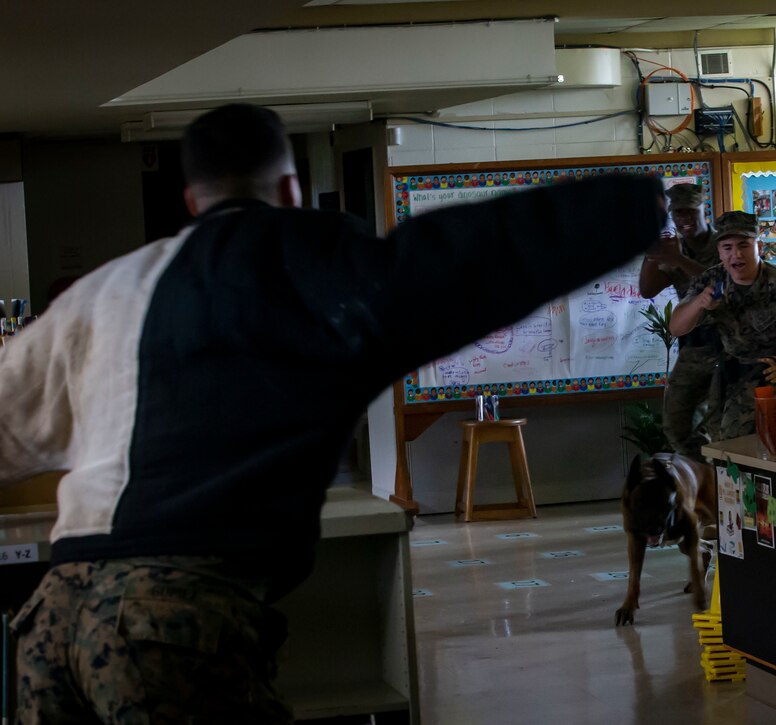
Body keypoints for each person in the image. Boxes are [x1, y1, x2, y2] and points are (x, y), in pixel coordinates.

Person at [0, 103, 666, 722]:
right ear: (290, 191)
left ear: (189, 202)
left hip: (48, 622)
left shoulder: (102, 291)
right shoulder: (307, 261)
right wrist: (635, 206)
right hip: (168, 620)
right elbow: (462, 260)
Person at [669, 211, 776, 442]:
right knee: (722, 444)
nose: (736, 255)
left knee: (771, 443)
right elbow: (676, 327)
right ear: (719, 252)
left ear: (759, 246)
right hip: (732, 374)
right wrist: (699, 303)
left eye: (744, 245)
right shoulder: (711, 279)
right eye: (727, 247)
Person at [638, 183, 721, 458]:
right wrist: (652, 256)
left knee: (726, 428)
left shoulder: (723, 244)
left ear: (702, 209)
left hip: (729, 347)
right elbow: (648, 289)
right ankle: (705, 478)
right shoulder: (676, 247)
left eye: (689, 212)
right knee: (676, 425)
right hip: (694, 349)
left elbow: (721, 282)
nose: (683, 219)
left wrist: (678, 259)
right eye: (678, 213)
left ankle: (725, 483)